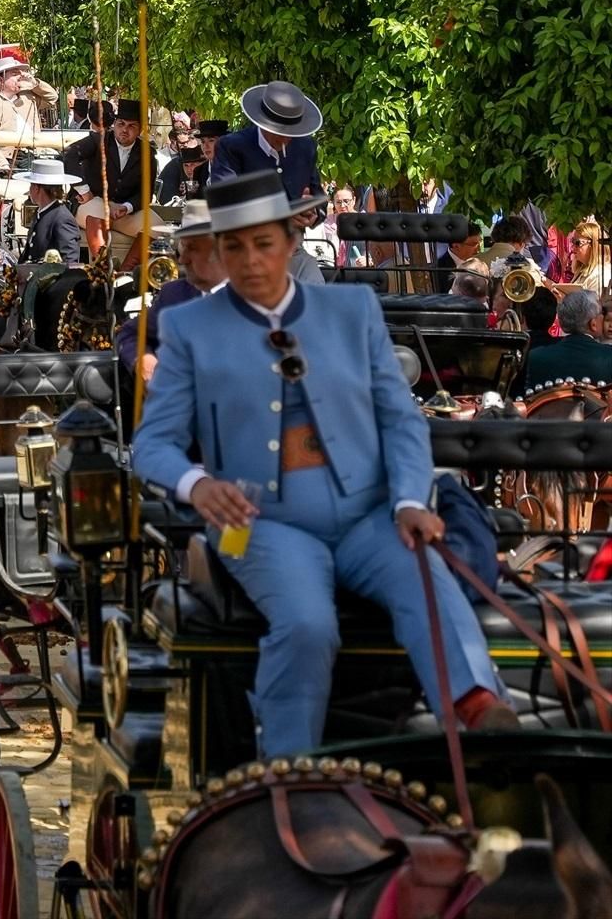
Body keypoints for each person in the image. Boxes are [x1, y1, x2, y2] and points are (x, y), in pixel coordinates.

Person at [132, 169, 513, 758]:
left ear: (290, 241)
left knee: (428, 580)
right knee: (307, 625)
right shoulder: (188, 328)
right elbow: (152, 445)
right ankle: (287, 767)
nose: (251, 261)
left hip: (369, 516)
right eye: (234, 246)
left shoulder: (352, 309)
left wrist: (411, 499)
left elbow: (402, 420)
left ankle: (476, 707)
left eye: (264, 244)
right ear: (218, 251)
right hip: (253, 524)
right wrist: (197, 485)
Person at [115, 200, 226, 381]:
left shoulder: (257, 295)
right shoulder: (175, 294)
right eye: (183, 248)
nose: (183, 260)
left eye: (193, 249)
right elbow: (129, 334)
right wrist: (143, 361)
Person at [207, 81, 323, 205]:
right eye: (279, 132)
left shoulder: (305, 147)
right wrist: (283, 219)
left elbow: (318, 197)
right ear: (263, 124)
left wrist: (312, 212)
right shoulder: (232, 148)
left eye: (291, 133)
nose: (285, 139)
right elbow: (225, 203)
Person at [0, 50, 58, 185]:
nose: (20, 77)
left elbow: (52, 97)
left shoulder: (28, 97)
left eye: (20, 74)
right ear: (0, 80)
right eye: (15, 74)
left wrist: (35, 83)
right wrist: (3, 165)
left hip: (36, 155)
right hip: (10, 159)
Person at [60, 102, 157, 211]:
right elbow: (69, 154)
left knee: (154, 225)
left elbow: (145, 193)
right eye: (121, 124)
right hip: (91, 201)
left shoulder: (147, 153)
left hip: (122, 208)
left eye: (131, 126)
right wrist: (84, 190)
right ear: (114, 124)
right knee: (99, 221)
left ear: (140, 130)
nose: (125, 130)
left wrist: (127, 207)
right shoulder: (98, 140)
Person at [518, 290, 612, 395]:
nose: (603, 317)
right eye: (601, 313)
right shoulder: (609, 356)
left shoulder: (536, 356)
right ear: (593, 324)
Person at [18, 158, 83, 264]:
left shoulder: (62, 218)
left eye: (31, 185)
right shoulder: (41, 213)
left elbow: (69, 261)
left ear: (36, 188)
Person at [433, 221, 485, 293]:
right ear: (456, 245)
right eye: (473, 244)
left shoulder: (479, 264)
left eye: (480, 242)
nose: (479, 248)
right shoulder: (439, 269)